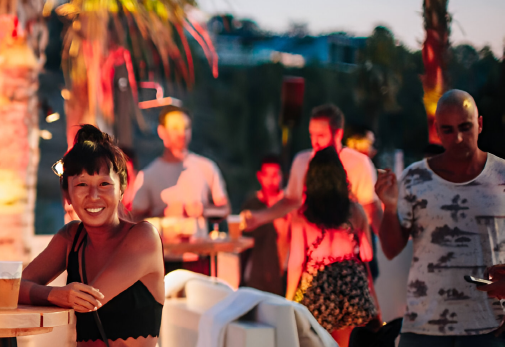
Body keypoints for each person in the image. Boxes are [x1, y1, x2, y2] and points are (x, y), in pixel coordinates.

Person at [19, 124, 166, 347]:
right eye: (81, 185)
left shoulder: (143, 236)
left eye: (104, 184)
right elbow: (17, 287)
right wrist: (53, 294)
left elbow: (91, 297)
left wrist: (61, 293)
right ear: (67, 193)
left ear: (121, 188)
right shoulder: (71, 238)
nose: (93, 195)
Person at [375, 90, 505, 347]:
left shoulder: (502, 175)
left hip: (488, 328)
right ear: (436, 131)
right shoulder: (415, 177)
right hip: (423, 330)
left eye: (466, 127)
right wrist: (387, 205)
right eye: (448, 130)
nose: (459, 138)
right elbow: (393, 247)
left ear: (480, 123)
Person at [285, 147, 378, 347]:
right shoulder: (355, 211)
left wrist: (289, 300)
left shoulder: (303, 217)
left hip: (318, 287)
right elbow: (367, 255)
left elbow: (296, 263)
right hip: (352, 286)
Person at [245, 104, 381, 232]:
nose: (315, 142)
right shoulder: (302, 161)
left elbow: (370, 210)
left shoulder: (358, 164)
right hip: (311, 245)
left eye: (321, 136)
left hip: (347, 247)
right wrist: (259, 217)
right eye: (312, 135)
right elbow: (290, 200)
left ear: (338, 134)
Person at [130, 106, 229, 274]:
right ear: (162, 131)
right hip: (161, 261)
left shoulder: (206, 167)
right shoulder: (148, 174)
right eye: (175, 128)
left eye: (186, 127)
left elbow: (225, 209)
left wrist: (203, 210)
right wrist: (161, 212)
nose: (182, 133)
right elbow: (134, 219)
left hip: (199, 258)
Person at [239, 155, 289, 295]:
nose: (271, 180)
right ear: (260, 176)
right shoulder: (252, 204)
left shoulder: (289, 205)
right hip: (255, 277)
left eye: (276, 175)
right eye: (267, 175)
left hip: (283, 275)